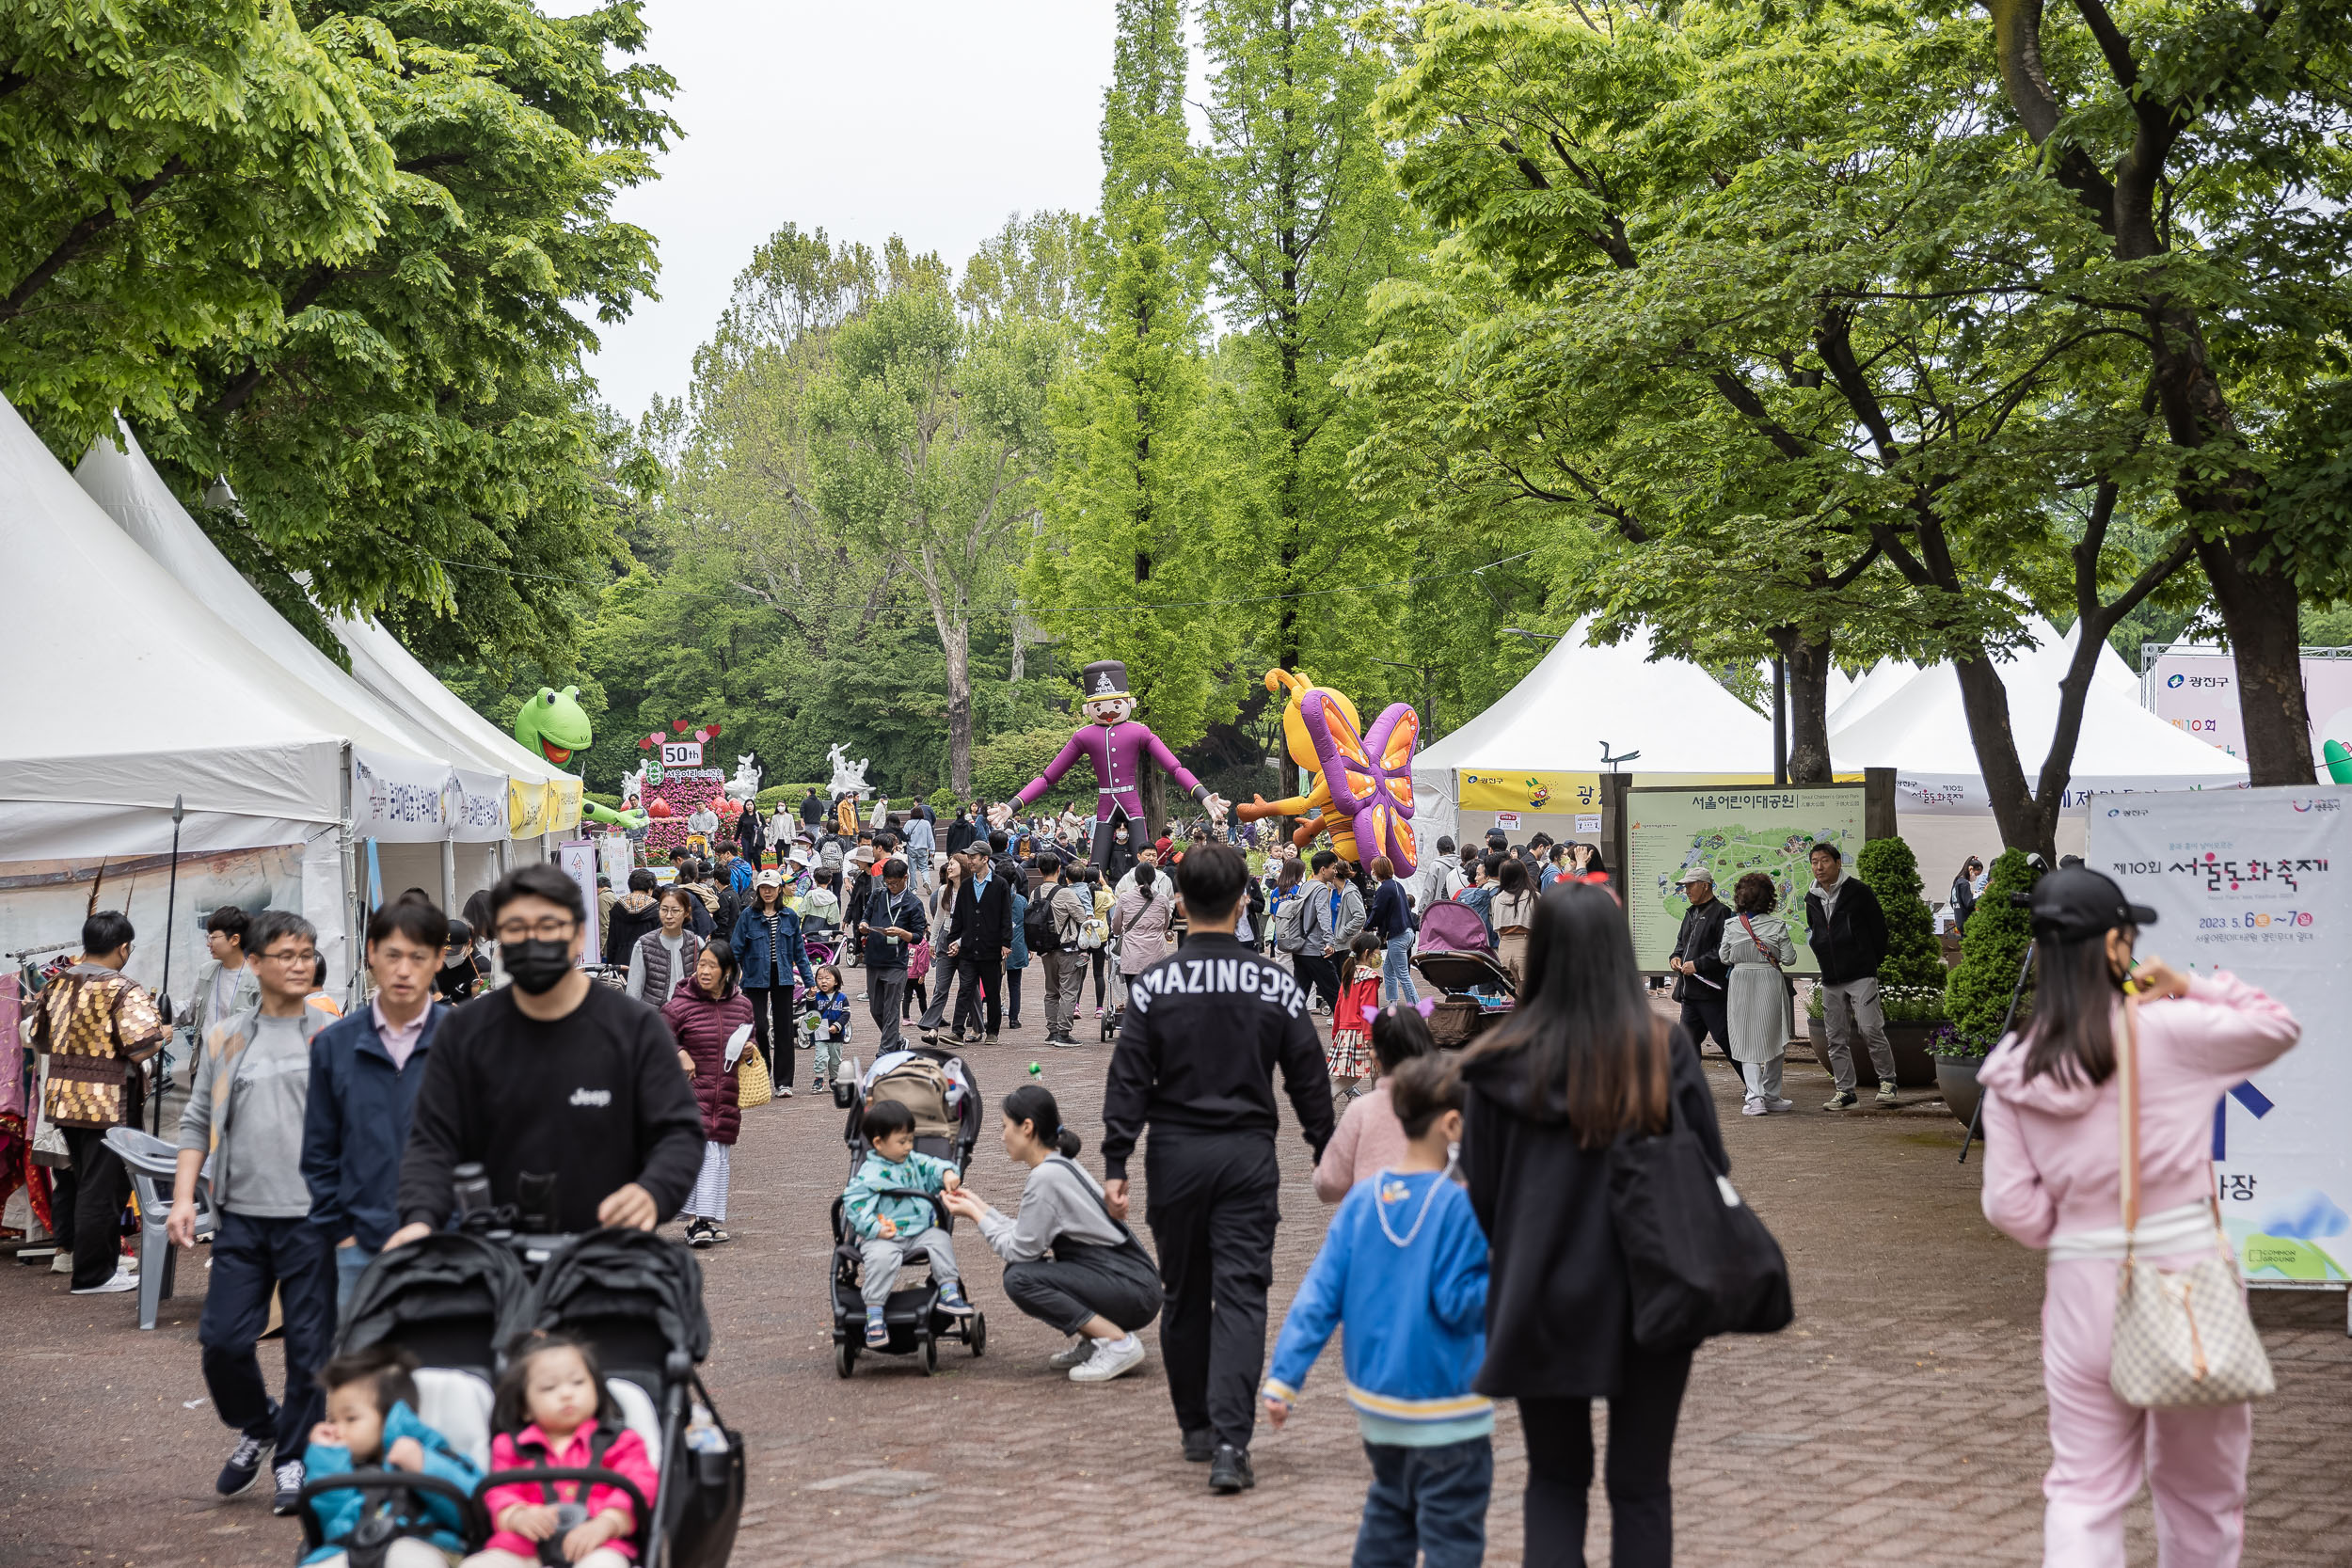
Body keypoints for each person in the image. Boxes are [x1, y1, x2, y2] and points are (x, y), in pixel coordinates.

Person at [1979, 868, 2298, 1567]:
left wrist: (2078, 1231)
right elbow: (2279, 1024)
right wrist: (2189, 983)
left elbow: (2010, 1205)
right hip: (2186, 1283)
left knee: (2083, 1491)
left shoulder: (2012, 1064)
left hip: (2080, 1288)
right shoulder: (2174, 1032)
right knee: (2201, 1494)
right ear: (2117, 946)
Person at [1458, 882, 1725, 1566]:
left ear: (1538, 954)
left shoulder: (1494, 1063)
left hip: (1538, 1287)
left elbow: (1483, 1197)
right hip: (1652, 1282)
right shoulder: (1662, 1050)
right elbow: (1710, 1167)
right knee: (1640, 1485)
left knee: (1554, 1478)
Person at [1101, 843, 1334, 1495]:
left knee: (1183, 1294)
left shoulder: (1155, 987)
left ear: (1179, 904)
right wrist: (1326, 1150)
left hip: (1175, 1153)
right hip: (1246, 1156)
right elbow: (1309, 1080)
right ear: (1243, 904)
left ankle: (1196, 1427)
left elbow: (1129, 1079)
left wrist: (1117, 1158)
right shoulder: (1273, 982)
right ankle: (1233, 1441)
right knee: (1241, 1292)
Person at [389, 864, 706, 1245]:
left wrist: (652, 1192)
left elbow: (678, 1132)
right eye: (517, 928)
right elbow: (430, 1144)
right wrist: (421, 1220)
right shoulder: (464, 1033)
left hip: (607, 1255)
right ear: (499, 938)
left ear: (578, 935)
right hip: (493, 1259)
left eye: (549, 926)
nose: (533, 940)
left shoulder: (634, 1029)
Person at [1263, 1054, 1494, 1568]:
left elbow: (1320, 1295)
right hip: (1449, 1409)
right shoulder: (1460, 1207)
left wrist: (1283, 1379)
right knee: (1452, 1537)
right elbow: (1461, 1303)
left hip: (1379, 1407)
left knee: (1389, 1515)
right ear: (1452, 1124)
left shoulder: (1364, 1200)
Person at [171, 910, 341, 1513]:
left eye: (307, 954)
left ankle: (294, 1459)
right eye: (287, 955)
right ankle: (262, 1423)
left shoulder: (331, 1034)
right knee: (221, 1340)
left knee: (308, 1351)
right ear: (258, 962)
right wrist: (186, 1198)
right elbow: (195, 1122)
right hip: (240, 1216)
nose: (300, 965)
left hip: (312, 1220)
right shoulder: (226, 1037)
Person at [945, 1084, 1162, 1384]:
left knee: (1019, 1278)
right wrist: (979, 1205)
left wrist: (974, 1214)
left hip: (1132, 1287)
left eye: (1005, 1126)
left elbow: (1020, 1251)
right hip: (1131, 1281)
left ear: (1028, 1127)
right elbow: (1026, 1237)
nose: (1002, 1135)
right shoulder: (1057, 1165)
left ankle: (1117, 1343)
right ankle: (1095, 1342)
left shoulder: (1046, 1177)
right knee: (1023, 1272)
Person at [304, 895, 453, 1316]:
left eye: (418, 956)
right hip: (358, 1246)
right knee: (361, 1374)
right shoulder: (335, 1044)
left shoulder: (465, 1040)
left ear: (439, 959)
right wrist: (342, 1232)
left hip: (446, 1244)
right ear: (370, 954)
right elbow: (318, 1150)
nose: (404, 970)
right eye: (392, 955)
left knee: (443, 1374)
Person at [34, 910, 169, 1294]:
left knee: (84, 1183)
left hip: (63, 1099)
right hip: (107, 1103)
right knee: (103, 1188)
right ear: (123, 948)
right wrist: (165, 1034)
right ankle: (93, 1275)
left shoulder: (56, 984)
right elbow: (142, 1048)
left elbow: (40, 1040)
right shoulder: (123, 988)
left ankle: (103, 1267)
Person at [468, 1332, 657, 1568]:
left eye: (578, 1383)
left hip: (597, 1544)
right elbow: (498, 1492)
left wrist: (607, 1522)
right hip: (522, 1547)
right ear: (525, 1407)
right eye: (549, 1388)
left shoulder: (620, 1441)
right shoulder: (509, 1445)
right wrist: (517, 1516)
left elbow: (641, 1482)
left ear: (597, 1390)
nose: (567, 1394)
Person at [301, 1344, 481, 1568]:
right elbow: (330, 1523)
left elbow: (473, 1511)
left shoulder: (431, 1452)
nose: (338, 1428)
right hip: (350, 1548)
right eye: (333, 1420)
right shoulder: (341, 1465)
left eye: (350, 1419)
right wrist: (326, 1458)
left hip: (419, 1544)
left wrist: (425, 1466)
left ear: (391, 1415)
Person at [843, 1100, 975, 1344]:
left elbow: (933, 1165)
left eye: (910, 1139)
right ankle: (874, 1313)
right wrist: (873, 1228)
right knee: (881, 1259)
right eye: (902, 1141)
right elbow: (854, 1202)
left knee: (940, 1240)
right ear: (878, 1143)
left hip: (919, 1231)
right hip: (884, 1234)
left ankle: (948, 1289)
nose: (908, 1146)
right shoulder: (870, 1173)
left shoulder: (913, 1161)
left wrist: (947, 1172)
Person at [665, 941, 753, 1249]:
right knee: (703, 1157)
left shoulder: (742, 1005)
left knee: (718, 1159)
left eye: (711, 966)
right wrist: (679, 1052)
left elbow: (749, 1038)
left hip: (726, 1094)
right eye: (701, 964)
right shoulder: (680, 1004)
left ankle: (704, 1220)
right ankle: (695, 1223)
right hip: (689, 1095)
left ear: (727, 971)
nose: (703, 971)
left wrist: (749, 1050)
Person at [1804, 841, 1896, 1109]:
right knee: (1835, 1036)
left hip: (1861, 974)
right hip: (1831, 977)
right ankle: (1846, 1092)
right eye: (1814, 862)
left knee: (1870, 1029)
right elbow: (1815, 930)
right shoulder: (1811, 897)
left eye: (1824, 861)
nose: (1819, 867)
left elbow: (1879, 930)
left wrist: (1869, 961)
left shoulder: (1859, 891)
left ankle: (1888, 1081)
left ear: (1838, 863)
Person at [1314, 1003, 1438, 1203]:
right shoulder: (1445, 1105)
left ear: (1376, 1057)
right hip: (1432, 1216)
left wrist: (1321, 1167)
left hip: (1374, 1214)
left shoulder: (1361, 1110)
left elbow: (1331, 1184)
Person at [732, 867, 815, 1096]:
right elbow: (735, 950)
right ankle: (762, 1071)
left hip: (784, 976)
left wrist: (810, 982)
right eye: (763, 888)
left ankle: (784, 1082)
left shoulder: (789, 916)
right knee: (758, 1025)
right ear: (758, 890)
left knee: (784, 1029)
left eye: (771, 888)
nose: (767, 892)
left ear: (779, 890)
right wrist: (729, 980)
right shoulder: (748, 916)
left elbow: (800, 952)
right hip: (754, 977)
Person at [1721, 872, 1797, 1116]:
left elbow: (1724, 957)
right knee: (1775, 1037)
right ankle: (1772, 1094)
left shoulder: (1732, 925)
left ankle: (1755, 1098)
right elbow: (1789, 958)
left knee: (1745, 1039)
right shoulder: (1777, 926)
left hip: (1741, 981)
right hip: (1769, 981)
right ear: (1769, 899)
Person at [855, 856, 928, 1056]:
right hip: (874, 959)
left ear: (905, 878)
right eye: (888, 883)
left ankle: (885, 1052)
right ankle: (897, 1041)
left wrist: (903, 934)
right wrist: (863, 926)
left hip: (896, 963)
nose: (891, 887)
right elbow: (866, 917)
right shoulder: (878, 895)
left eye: (895, 883)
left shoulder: (914, 903)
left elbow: (918, 936)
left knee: (891, 1011)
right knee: (876, 1010)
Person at [942, 845, 1013, 1044]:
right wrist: (953, 940)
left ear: (985, 859)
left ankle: (992, 1031)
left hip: (991, 948)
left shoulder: (1000, 885)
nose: (970, 861)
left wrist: (1006, 942)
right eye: (969, 857)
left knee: (992, 992)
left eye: (974, 857)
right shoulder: (966, 886)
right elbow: (959, 917)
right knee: (964, 989)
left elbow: (1006, 915)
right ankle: (957, 1031)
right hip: (968, 949)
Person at [1667, 867, 1731, 1056]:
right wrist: (1675, 957)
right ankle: (1687, 1086)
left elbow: (1724, 950)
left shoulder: (1722, 912)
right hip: (1689, 994)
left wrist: (1697, 964)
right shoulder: (1690, 913)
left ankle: (1754, 1085)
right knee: (1686, 1044)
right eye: (1685, 886)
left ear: (1705, 886)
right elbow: (1681, 943)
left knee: (1725, 1040)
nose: (1686, 890)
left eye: (1690, 885)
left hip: (1711, 994)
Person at [1028, 854, 1089, 1048]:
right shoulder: (1065, 894)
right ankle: (1064, 1033)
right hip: (1067, 949)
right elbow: (1082, 918)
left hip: (1045, 951)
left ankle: (1052, 1031)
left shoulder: (1035, 894)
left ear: (1039, 871)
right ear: (1058, 870)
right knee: (1069, 990)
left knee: (1051, 992)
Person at [188, 903, 259, 1066]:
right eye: (208, 937)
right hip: (204, 1069)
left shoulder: (258, 981)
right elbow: (192, 1011)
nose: (208, 943)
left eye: (213, 937)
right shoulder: (206, 972)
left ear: (234, 939)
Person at [1297, 848, 1366, 1014]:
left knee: (1300, 992)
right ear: (1323, 870)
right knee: (1335, 990)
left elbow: (1359, 916)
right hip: (1318, 948)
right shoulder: (1322, 889)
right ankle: (1347, 1023)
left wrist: (1339, 935)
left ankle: (1287, 1026)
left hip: (1304, 946)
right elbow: (1324, 918)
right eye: (1333, 867)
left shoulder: (1305, 887)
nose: (1334, 871)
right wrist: (1329, 941)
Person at [1111, 858, 1178, 1006]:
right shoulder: (1162, 899)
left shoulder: (1124, 898)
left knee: (1135, 997)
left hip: (1131, 955)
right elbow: (1165, 926)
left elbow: (1116, 927)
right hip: (1156, 955)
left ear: (1136, 878)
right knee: (1154, 998)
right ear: (1154, 878)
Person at [1327, 932, 1385, 1100]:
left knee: (1365, 1074)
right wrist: (1370, 1038)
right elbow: (1368, 1010)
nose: (1379, 955)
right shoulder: (1370, 978)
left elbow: (1338, 1006)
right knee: (1371, 1073)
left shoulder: (1349, 974)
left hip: (1346, 1031)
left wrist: (1336, 1031)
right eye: (1377, 951)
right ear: (1367, 953)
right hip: (1362, 1033)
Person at [623, 886, 702, 1006]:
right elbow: (633, 993)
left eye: (675, 910)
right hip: (656, 1019)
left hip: (689, 1016)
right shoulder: (643, 945)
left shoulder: (697, 943)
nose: (669, 916)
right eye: (664, 909)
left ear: (686, 912)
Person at [1367, 855, 1420, 1006]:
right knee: (1388, 968)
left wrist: (1367, 926)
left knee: (1403, 974)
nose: (1372, 872)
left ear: (1378, 871)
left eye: (1373, 869)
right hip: (1407, 932)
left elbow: (1377, 912)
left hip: (1397, 936)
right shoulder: (1397, 886)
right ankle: (1392, 1003)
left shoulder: (1384, 889)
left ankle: (1416, 1006)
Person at [1489, 857, 1538, 987]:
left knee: (1511, 990)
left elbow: (1497, 927)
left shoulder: (1498, 898)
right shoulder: (1533, 896)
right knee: (1528, 992)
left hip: (1504, 947)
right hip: (1526, 945)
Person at [803, 964, 851, 1091]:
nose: (823, 981)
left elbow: (846, 1014)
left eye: (827, 978)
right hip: (821, 1031)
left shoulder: (842, 998)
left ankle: (834, 1079)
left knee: (835, 1060)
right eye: (819, 978)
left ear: (836, 981)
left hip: (836, 1034)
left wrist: (838, 1025)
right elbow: (811, 1012)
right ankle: (819, 1079)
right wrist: (810, 997)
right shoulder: (817, 996)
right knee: (821, 1056)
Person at [601, 869, 660, 968]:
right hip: (648, 963)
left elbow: (611, 943)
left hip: (621, 963)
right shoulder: (656, 909)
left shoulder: (617, 908)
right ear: (650, 889)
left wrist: (610, 966)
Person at [1004, 867, 1031, 1031]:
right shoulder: (1021, 900)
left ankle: (987, 1017)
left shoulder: (993, 898)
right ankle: (1014, 1019)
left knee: (992, 984)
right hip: (1018, 945)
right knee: (1015, 984)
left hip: (996, 947)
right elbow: (1028, 925)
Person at [435, 918, 485, 1002]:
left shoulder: (481, 969)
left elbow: (483, 1007)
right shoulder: (436, 963)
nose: (447, 955)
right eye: (443, 950)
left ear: (468, 944)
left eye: (453, 951)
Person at [1949, 855, 1983, 931]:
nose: (1976, 877)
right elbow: (1969, 903)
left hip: (1959, 919)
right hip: (1966, 921)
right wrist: (1981, 897)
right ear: (1970, 869)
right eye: (1976, 874)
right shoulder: (1964, 883)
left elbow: (1951, 901)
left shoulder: (1957, 881)